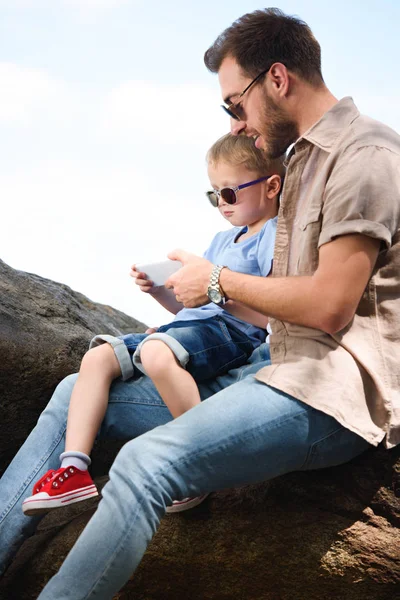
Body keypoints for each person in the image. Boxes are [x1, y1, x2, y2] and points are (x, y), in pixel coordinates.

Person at [0, 8, 399, 599]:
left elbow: (330, 305)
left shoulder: (365, 155)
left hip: (326, 391)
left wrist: (217, 282)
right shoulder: (297, 164)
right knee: (71, 397)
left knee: (145, 463)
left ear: (278, 80)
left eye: (235, 105)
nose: (236, 126)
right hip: (264, 370)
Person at [20, 133, 284, 516]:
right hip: (194, 331)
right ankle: (74, 469)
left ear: (272, 186)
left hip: (234, 334)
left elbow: (269, 313)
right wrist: (160, 292)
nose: (221, 205)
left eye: (229, 194)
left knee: (158, 354)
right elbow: (189, 310)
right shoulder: (223, 239)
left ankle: (200, 462)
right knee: (97, 358)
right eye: (213, 195)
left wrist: (214, 288)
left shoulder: (274, 236)